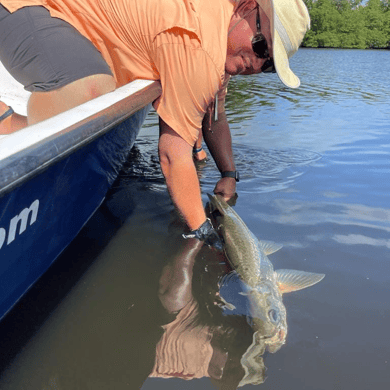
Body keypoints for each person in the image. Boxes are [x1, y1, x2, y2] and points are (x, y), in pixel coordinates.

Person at [0, 0, 310, 249]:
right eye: (260, 47)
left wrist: (229, 173)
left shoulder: (221, 40)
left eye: (268, 65)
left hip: (77, 32)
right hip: (28, 9)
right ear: (246, 9)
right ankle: (4, 119)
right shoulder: (201, 42)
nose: (255, 65)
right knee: (92, 93)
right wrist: (203, 233)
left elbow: (215, 116)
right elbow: (173, 154)